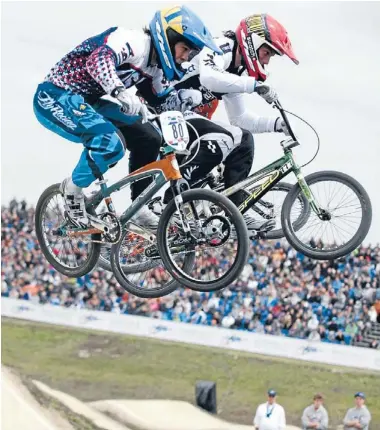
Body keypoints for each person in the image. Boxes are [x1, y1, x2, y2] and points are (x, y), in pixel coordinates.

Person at [33, 6, 221, 229]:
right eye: (184, 49)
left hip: (88, 101)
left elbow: (161, 102)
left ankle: (139, 206)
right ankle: (72, 190)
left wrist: (184, 98)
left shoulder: (155, 68)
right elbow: (98, 61)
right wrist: (119, 91)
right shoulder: (133, 40)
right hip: (55, 94)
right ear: (168, 38)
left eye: (190, 53)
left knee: (150, 136)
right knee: (110, 142)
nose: (184, 57)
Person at [138, 13, 298, 232]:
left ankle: (235, 211)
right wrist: (253, 85)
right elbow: (208, 77)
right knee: (222, 138)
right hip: (160, 112)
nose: (267, 61)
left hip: (180, 117)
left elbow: (241, 119)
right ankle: (172, 203)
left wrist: (277, 124)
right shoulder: (222, 46)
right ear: (253, 42)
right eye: (266, 52)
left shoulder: (236, 70)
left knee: (243, 139)